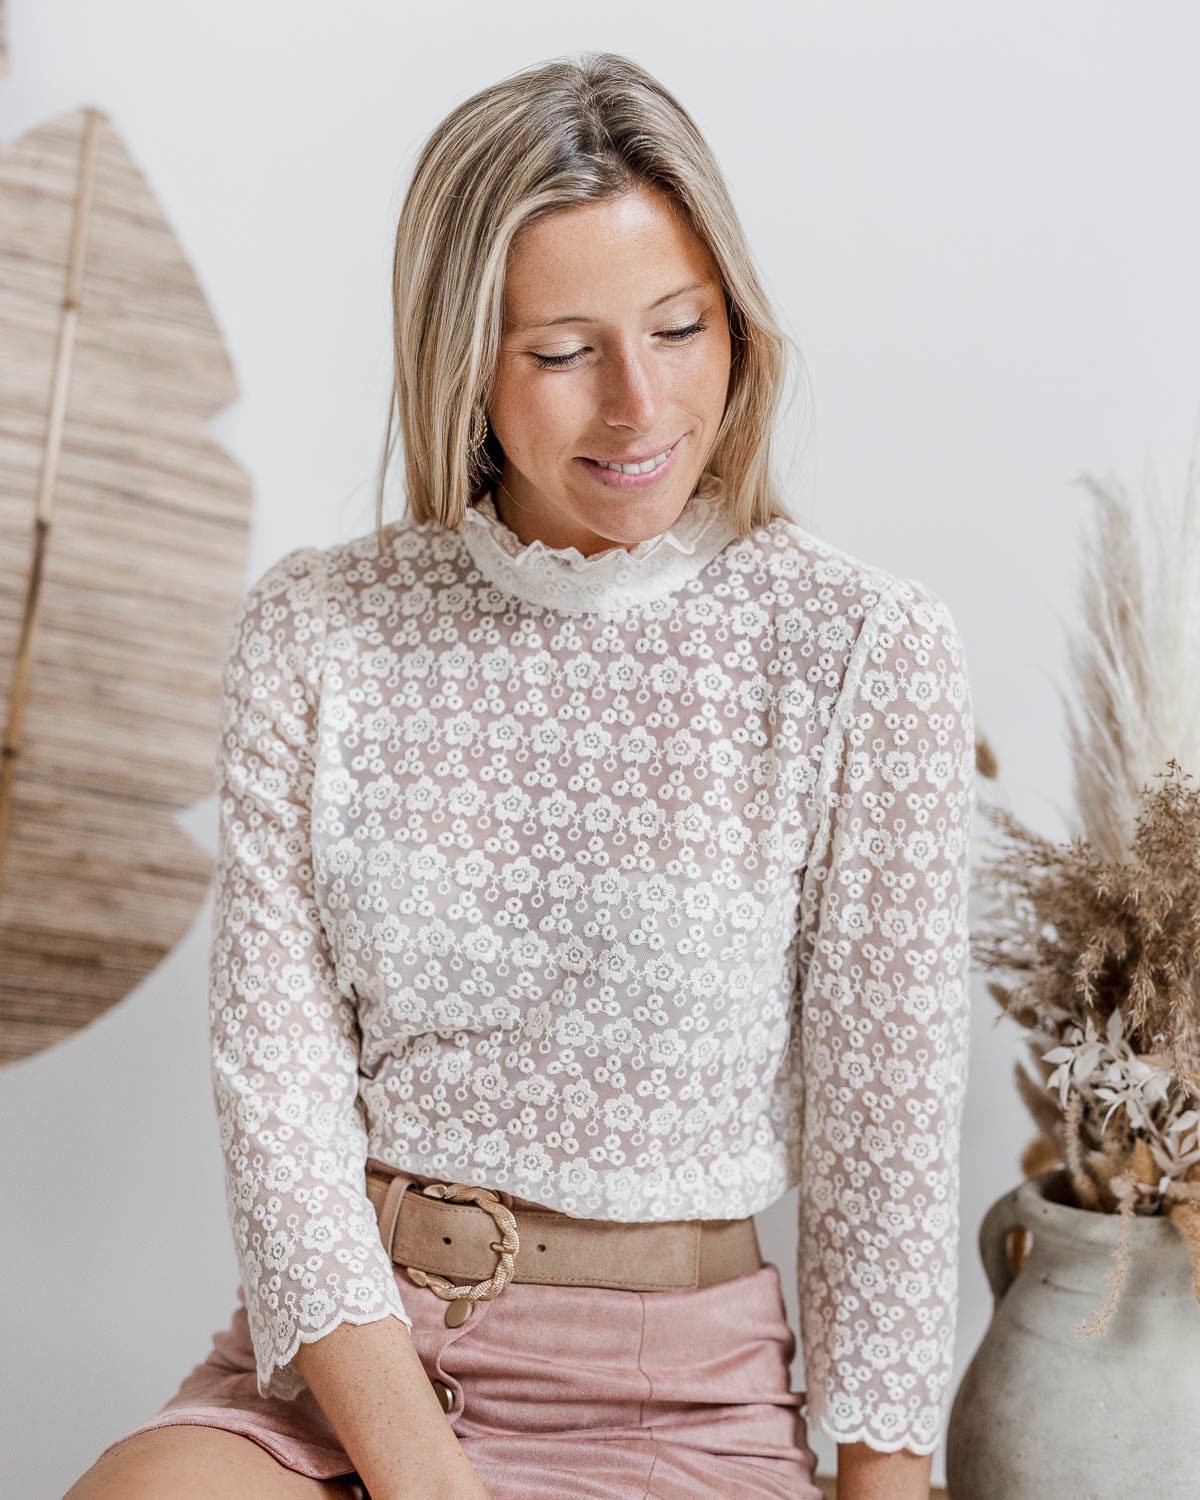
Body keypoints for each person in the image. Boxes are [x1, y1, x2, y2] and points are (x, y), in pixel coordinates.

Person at [65, 49, 974, 1500]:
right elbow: (279, 1105)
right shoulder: (319, 630)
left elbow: (888, 1153)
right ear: (465, 363)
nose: (639, 404)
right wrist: (421, 1475)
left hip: (674, 1406)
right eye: (561, 353)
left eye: (680, 327)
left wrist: (882, 1484)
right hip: (345, 1375)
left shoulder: (861, 650)